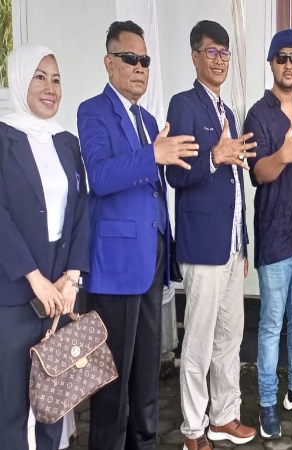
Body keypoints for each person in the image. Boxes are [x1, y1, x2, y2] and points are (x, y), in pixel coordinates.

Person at [77, 20, 198, 449]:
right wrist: (153, 154)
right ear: (109, 63)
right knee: (112, 384)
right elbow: (99, 176)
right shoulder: (93, 111)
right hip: (114, 270)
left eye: (144, 60)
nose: (140, 67)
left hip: (151, 262)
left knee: (146, 377)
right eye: (130, 58)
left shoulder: (147, 119)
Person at [165, 20, 258, 450]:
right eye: (212, 52)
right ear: (195, 56)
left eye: (225, 53)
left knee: (229, 337)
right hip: (202, 246)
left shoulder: (228, 112)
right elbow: (174, 174)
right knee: (199, 342)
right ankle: (193, 429)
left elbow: (236, 186)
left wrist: (243, 242)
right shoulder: (184, 105)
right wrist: (214, 156)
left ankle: (224, 417)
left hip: (231, 247)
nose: (220, 60)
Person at [0, 44, 88, 450]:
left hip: (61, 289)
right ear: (19, 80)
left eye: (56, 80)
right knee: (13, 405)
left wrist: (72, 277)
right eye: (39, 77)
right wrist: (34, 278)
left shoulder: (67, 142)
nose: (51, 88)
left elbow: (83, 209)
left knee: (55, 398)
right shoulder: (3, 138)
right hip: (16, 289)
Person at [244, 28, 292, 439]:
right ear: (272, 63)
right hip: (275, 237)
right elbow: (258, 173)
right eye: (282, 58)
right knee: (272, 323)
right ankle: (267, 404)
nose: (289, 65)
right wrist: (283, 154)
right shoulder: (258, 114)